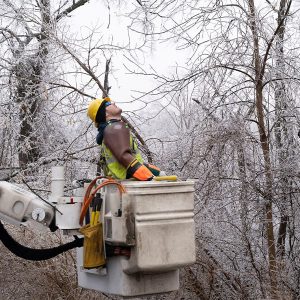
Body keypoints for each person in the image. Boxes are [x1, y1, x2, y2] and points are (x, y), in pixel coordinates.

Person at [87, 97, 160, 181]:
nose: (113, 103)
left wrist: (155, 171)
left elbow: (129, 158)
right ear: (105, 113)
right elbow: (124, 157)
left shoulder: (110, 129)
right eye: (108, 104)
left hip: (125, 179)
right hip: (130, 180)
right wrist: (149, 176)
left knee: (161, 174)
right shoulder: (115, 128)